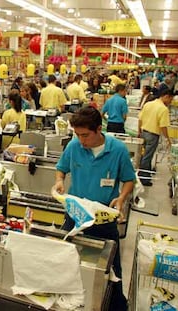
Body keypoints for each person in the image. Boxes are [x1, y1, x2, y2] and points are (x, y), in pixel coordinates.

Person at [53, 107, 135, 311]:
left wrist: (122, 197)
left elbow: (128, 180)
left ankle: (115, 306)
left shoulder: (117, 150)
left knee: (112, 269)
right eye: (78, 135)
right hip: (76, 216)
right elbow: (61, 169)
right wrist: (59, 182)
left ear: (99, 129)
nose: (81, 140)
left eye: (85, 135)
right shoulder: (74, 146)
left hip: (103, 220)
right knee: (67, 263)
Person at [138, 89, 173, 186]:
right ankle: (143, 178)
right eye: (170, 99)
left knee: (142, 155)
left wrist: (139, 131)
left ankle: (144, 173)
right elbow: (163, 126)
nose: (170, 102)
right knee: (147, 156)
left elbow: (140, 118)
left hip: (144, 132)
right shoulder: (163, 109)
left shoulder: (148, 104)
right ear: (166, 96)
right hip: (153, 135)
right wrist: (167, 139)